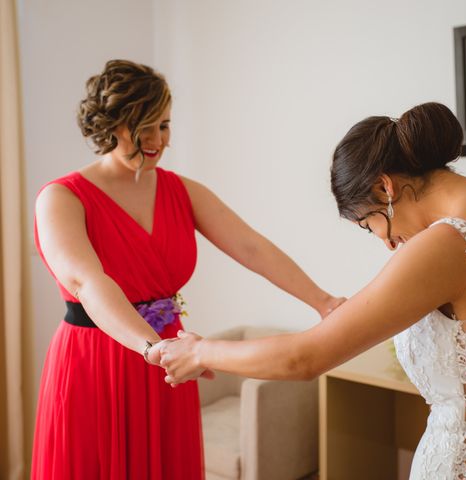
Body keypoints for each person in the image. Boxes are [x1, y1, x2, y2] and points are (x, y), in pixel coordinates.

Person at [156, 102, 466, 479]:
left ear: (385, 189)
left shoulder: (448, 244)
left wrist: (198, 351)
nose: (389, 244)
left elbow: (304, 358)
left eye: (370, 225)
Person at [31, 59, 344, 480]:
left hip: (168, 361)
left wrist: (323, 302)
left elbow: (251, 248)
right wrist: (150, 349)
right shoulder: (61, 198)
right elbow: (87, 282)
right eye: (143, 127)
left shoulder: (181, 190)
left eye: (164, 125)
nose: (157, 140)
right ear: (110, 126)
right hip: (99, 362)